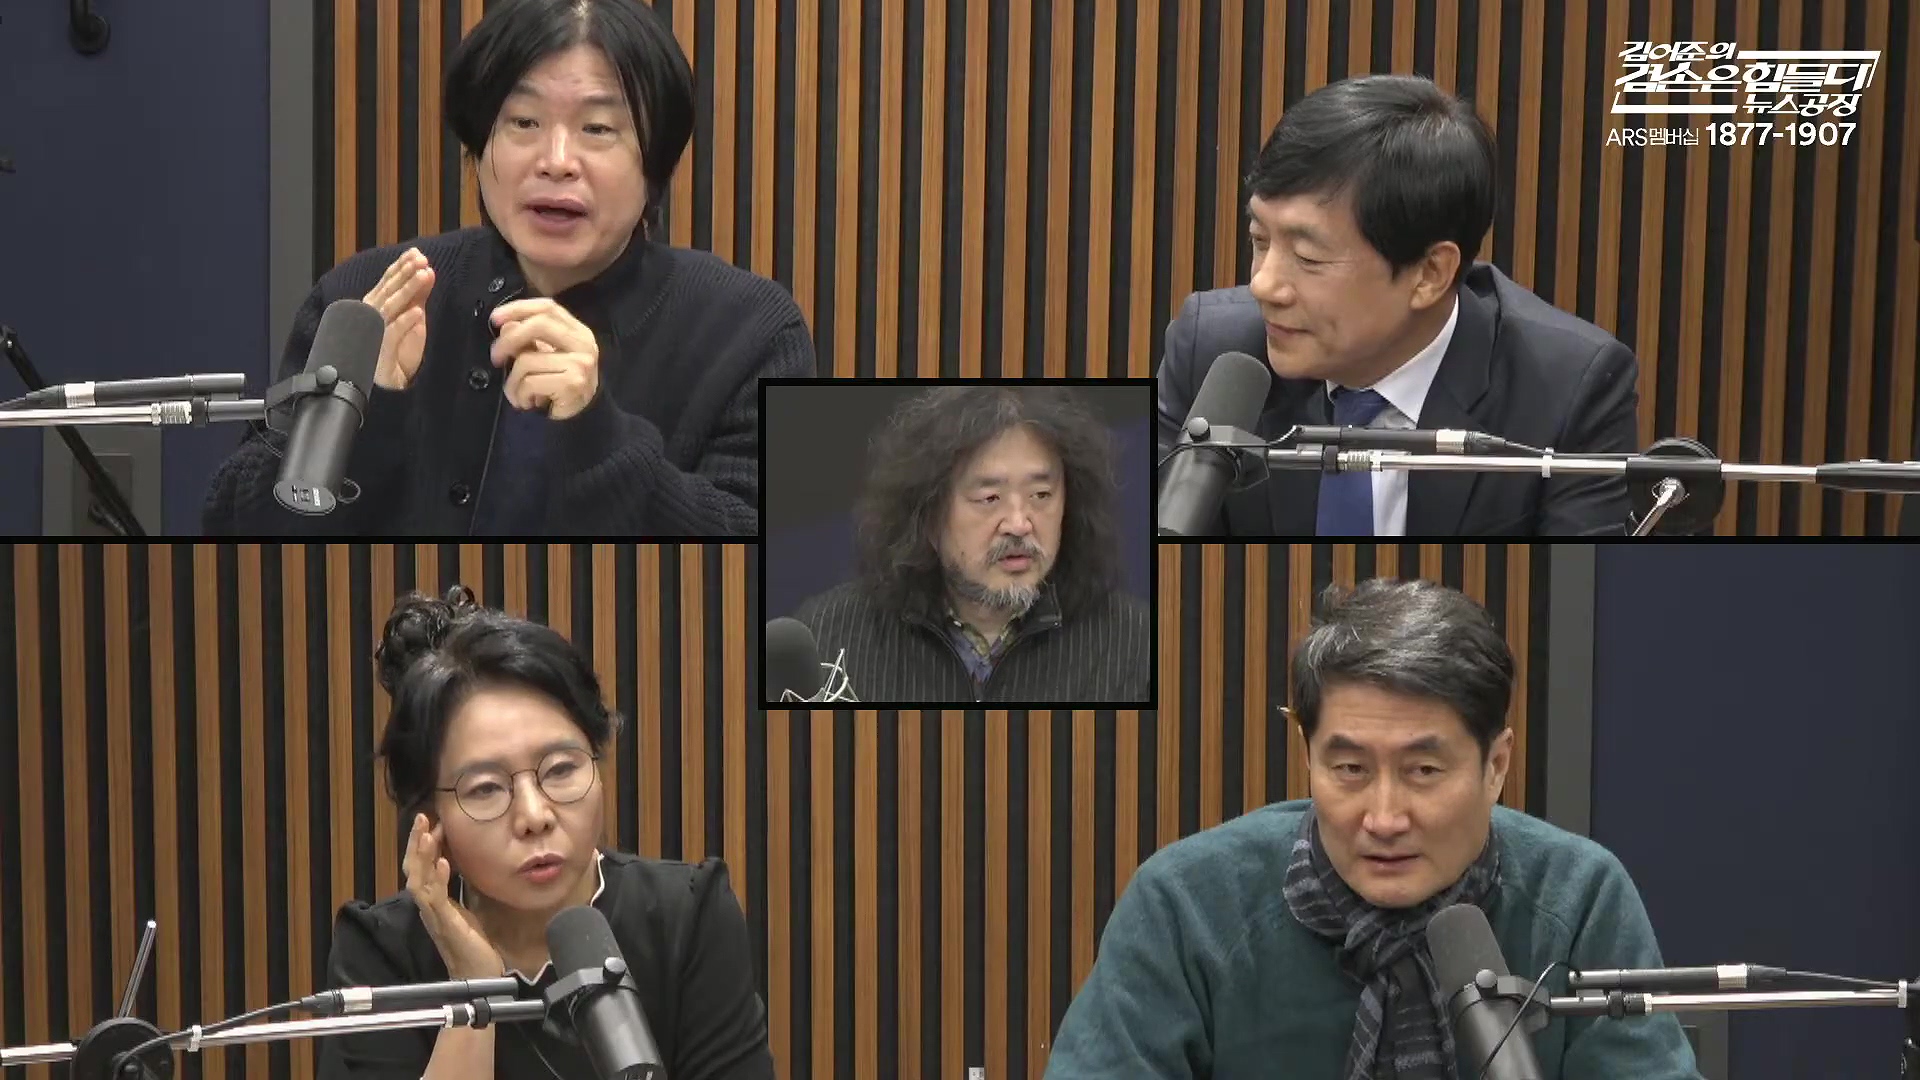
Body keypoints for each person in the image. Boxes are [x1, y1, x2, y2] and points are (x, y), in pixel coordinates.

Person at [1045, 580, 1701, 1079]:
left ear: (1496, 765)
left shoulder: (1578, 898)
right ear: (1307, 753)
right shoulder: (1187, 905)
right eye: (1350, 769)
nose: (1384, 818)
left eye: (1423, 771)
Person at [205, 0, 814, 536]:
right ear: (477, 147)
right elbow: (233, 528)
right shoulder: (367, 297)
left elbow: (760, 550)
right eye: (523, 122)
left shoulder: (750, 331)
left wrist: (599, 438)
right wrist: (358, 419)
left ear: (656, 164)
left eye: (598, 128)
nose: (556, 160)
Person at [318, 586, 775, 1080]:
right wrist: (473, 986)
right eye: (486, 788)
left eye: (560, 770)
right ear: (430, 815)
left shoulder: (685, 917)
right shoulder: (382, 954)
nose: (535, 816)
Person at [1155, 74, 1638, 537]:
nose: (1263, 285)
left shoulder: (1565, 391)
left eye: (1307, 257)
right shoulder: (1213, 354)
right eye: (1260, 240)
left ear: (1429, 274)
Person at [789, 386, 1150, 703]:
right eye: (990, 498)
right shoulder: (827, 637)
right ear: (928, 515)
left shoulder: (1137, 646)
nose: (1019, 524)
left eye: (1041, 495)